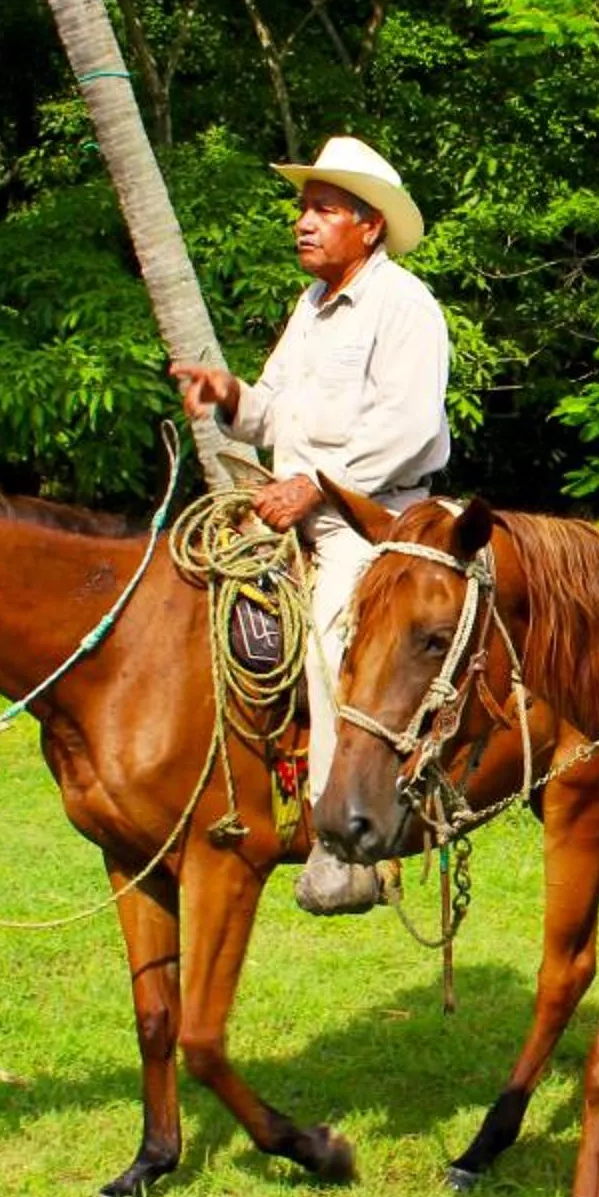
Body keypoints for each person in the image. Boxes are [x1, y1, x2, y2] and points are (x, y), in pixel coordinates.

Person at [170, 136, 451, 916]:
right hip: (290, 512)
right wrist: (230, 395)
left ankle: (345, 843)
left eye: (324, 209)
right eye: (304, 208)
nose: (304, 222)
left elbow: (409, 426)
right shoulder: (312, 307)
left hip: (373, 522)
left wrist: (315, 487)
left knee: (333, 643)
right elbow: (271, 412)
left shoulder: (405, 306)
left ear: (369, 226)